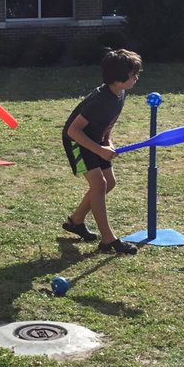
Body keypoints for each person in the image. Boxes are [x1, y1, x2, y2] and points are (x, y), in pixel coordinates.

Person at [61, 48, 144, 254]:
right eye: (133, 74)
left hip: (96, 139)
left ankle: (76, 221)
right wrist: (98, 149)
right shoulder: (100, 99)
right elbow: (73, 130)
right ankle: (108, 240)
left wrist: (108, 143)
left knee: (110, 183)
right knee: (99, 184)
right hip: (77, 141)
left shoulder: (120, 93)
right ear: (117, 78)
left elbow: (108, 123)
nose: (136, 77)